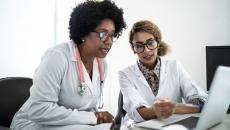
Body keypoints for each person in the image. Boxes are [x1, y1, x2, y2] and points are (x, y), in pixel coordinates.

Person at [10, 0, 126, 130]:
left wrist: (99, 118)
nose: (109, 41)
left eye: (112, 35)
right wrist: (94, 117)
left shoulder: (102, 65)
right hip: (34, 124)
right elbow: (39, 109)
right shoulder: (57, 56)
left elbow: (86, 107)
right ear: (83, 32)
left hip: (71, 125)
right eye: (103, 34)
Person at [118, 20, 207, 125]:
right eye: (139, 46)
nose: (146, 50)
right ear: (133, 48)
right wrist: (161, 110)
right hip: (139, 127)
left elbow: (198, 101)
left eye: (150, 43)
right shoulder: (125, 74)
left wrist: (175, 108)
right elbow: (137, 111)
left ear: (158, 43)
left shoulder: (175, 67)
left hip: (171, 126)